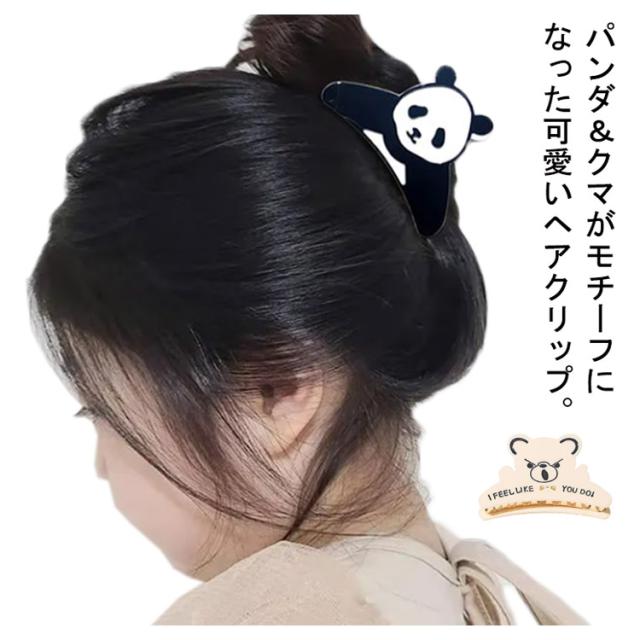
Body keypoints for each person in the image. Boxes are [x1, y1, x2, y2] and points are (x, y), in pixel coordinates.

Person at [27, 14, 586, 625]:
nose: (101, 464)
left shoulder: (276, 616)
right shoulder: (482, 597)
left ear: (278, 389)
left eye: (102, 413)